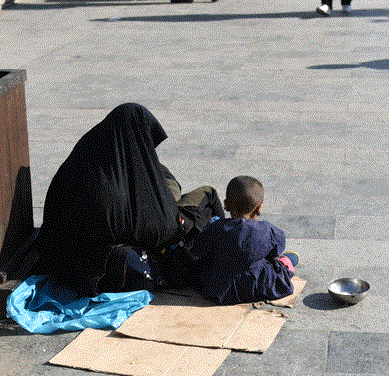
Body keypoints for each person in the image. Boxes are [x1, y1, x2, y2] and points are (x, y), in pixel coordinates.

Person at [32, 103, 224, 296]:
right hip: (107, 263)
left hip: (60, 261)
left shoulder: (81, 160)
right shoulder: (129, 202)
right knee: (207, 198)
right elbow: (161, 229)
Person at [189, 176, 296, 305]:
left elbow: (198, 249)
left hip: (216, 289)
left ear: (226, 204)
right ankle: (286, 262)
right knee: (280, 266)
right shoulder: (266, 230)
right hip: (253, 286)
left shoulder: (215, 228)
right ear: (259, 207)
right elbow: (278, 247)